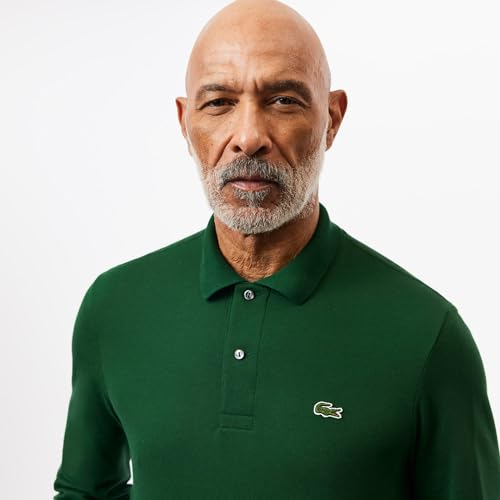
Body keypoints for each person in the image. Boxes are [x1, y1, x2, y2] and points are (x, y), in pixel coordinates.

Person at [53, 0, 500, 498]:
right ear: (184, 123)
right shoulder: (115, 308)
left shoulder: (428, 335)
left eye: (284, 100)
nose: (248, 138)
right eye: (219, 102)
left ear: (332, 119)